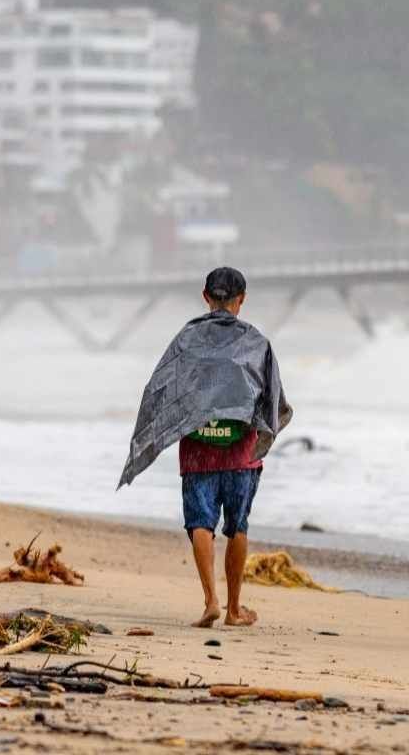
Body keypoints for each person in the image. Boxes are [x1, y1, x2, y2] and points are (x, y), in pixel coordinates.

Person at [117, 266, 292, 628]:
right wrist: (267, 431)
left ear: (205, 297)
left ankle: (210, 600)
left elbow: (160, 387)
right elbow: (272, 398)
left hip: (198, 450)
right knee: (238, 527)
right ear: (241, 300)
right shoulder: (256, 342)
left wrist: (148, 438)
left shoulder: (187, 339)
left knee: (201, 523)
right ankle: (234, 610)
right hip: (240, 452)